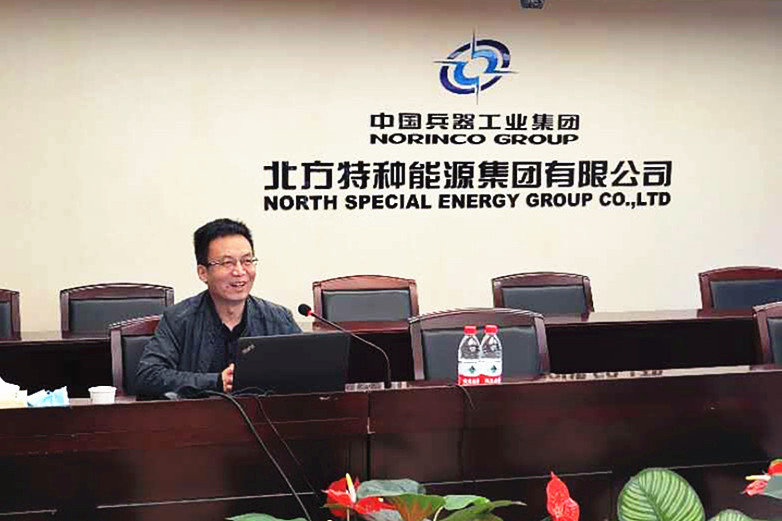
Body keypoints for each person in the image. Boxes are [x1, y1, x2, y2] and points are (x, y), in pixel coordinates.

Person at [135, 218, 301, 398]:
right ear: (203, 273)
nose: (239, 271)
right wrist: (216, 381)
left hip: (261, 414)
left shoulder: (278, 318)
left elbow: (306, 370)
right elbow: (148, 376)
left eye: (247, 261)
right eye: (227, 263)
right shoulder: (179, 319)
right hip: (198, 415)